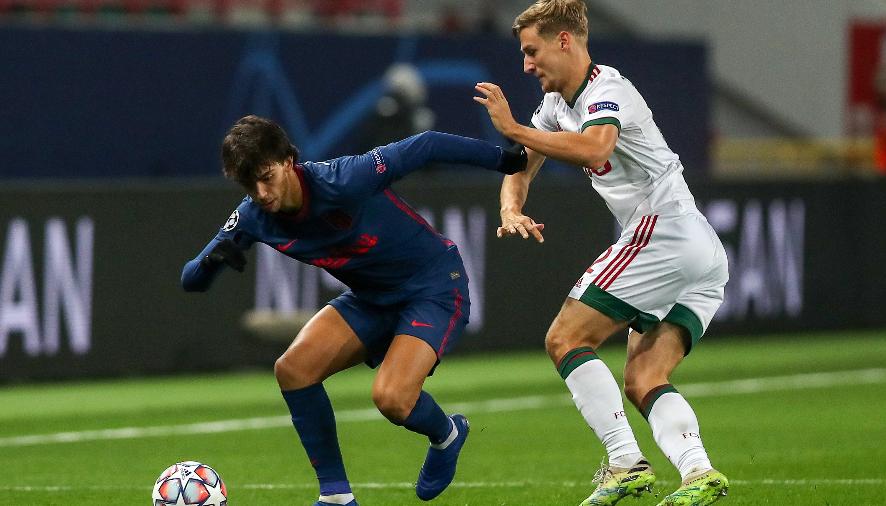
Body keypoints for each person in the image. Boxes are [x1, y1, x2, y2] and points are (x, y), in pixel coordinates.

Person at [181, 115, 527, 505]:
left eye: (266, 176)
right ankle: (337, 497)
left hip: (432, 285)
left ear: (287, 159)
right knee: (293, 370)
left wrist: (508, 162)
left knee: (392, 399)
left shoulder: (342, 178)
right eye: (249, 184)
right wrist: (213, 262)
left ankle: (447, 434)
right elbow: (190, 279)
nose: (260, 193)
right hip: (370, 298)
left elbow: (427, 144)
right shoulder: (252, 216)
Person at [473, 1, 730, 505]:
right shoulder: (553, 107)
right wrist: (510, 207)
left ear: (564, 41)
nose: (526, 65)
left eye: (532, 51)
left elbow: (594, 150)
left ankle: (624, 463)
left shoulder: (608, 89)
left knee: (565, 339)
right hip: (698, 246)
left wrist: (513, 128)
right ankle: (699, 472)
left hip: (663, 230)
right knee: (644, 377)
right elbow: (521, 168)